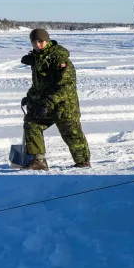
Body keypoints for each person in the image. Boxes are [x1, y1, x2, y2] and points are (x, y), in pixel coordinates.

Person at [19, 28, 90, 170]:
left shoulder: (58, 58)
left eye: (41, 41)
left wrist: (48, 102)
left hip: (64, 105)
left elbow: (67, 86)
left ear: (47, 40)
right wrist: (30, 96)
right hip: (47, 104)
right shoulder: (38, 58)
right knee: (31, 124)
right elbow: (39, 84)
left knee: (72, 134)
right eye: (34, 42)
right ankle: (38, 160)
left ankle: (83, 163)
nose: (38, 45)